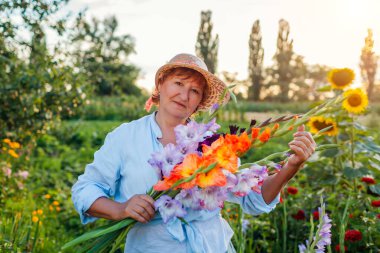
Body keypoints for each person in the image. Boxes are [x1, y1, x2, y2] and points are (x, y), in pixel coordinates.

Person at [71, 53, 316, 253]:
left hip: (211, 246)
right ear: (160, 85)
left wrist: (290, 167)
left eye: (195, 91)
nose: (184, 95)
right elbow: (85, 189)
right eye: (178, 83)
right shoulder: (125, 137)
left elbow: (252, 199)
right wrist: (120, 209)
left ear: (200, 102)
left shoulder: (212, 143)